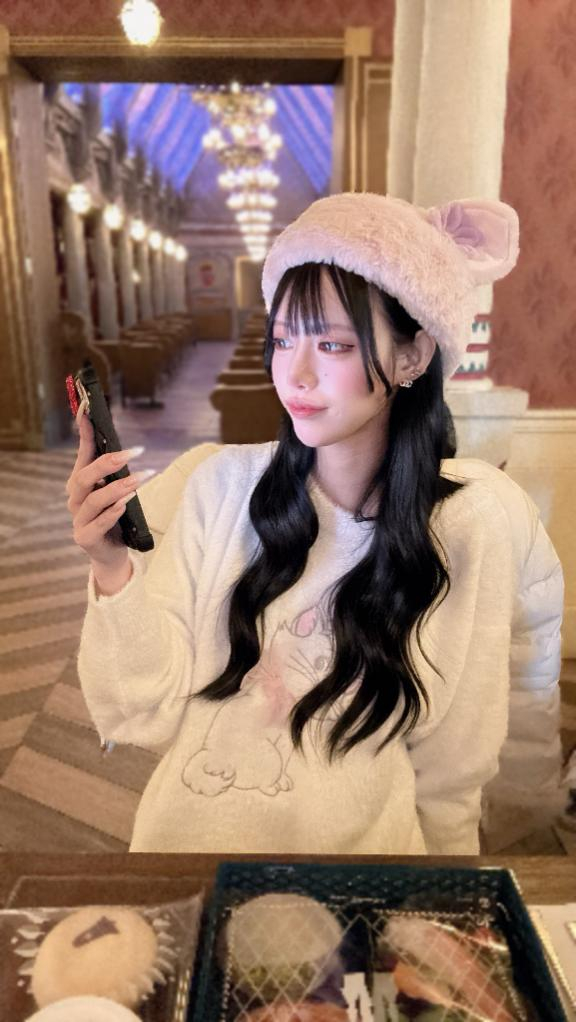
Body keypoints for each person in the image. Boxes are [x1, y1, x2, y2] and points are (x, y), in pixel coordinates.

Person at [67, 192, 564, 854]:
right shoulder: (220, 486)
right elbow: (141, 709)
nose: (295, 374)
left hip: (366, 880)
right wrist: (111, 569)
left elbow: (452, 776)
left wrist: (441, 898)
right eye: (282, 339)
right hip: (184, 863)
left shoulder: (465, 529)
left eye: (331, 343)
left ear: (413, 356)